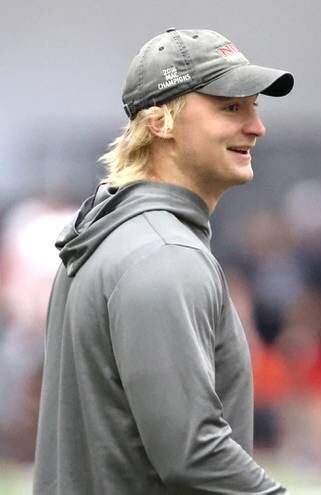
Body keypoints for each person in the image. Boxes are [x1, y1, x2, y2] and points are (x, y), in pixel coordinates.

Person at [33, 28, 294, 494]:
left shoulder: (114, 239)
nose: (256, 126)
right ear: (160, 122)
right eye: (230, 107)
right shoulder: (164, 255)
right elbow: (194, 455)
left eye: (254, 106)